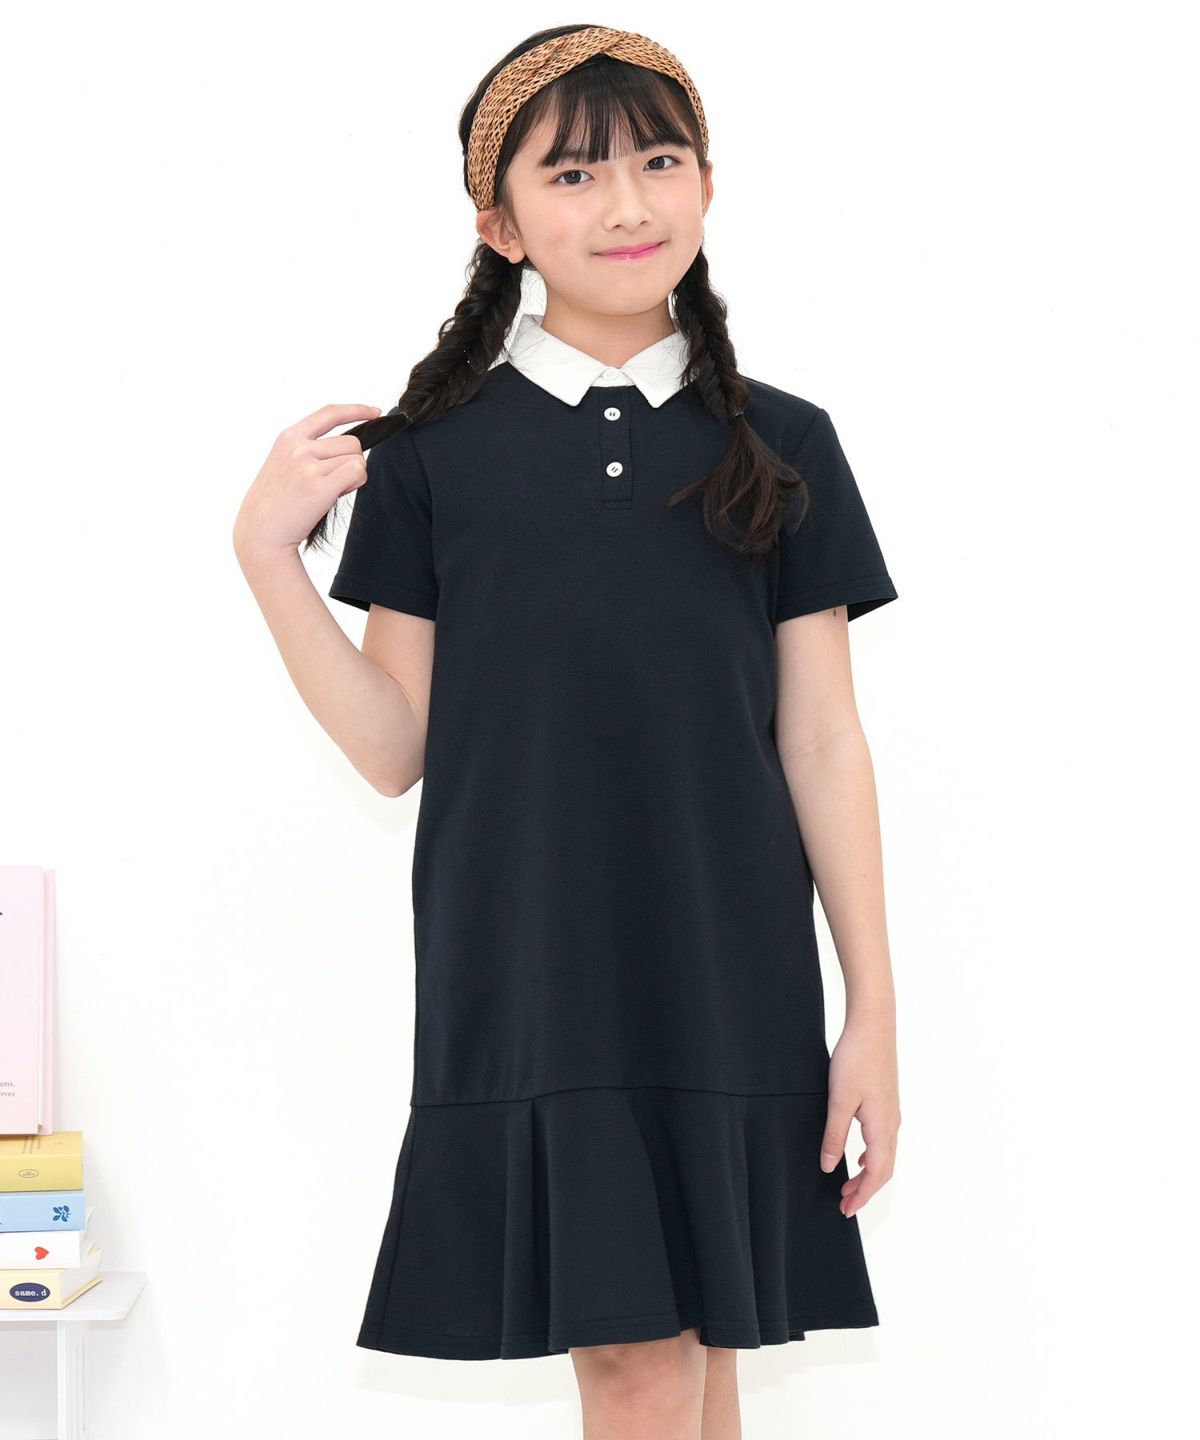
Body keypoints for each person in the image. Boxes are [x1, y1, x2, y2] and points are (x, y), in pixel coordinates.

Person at [234, 22, 901, 1438]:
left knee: (704, 1352)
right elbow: (392, 745)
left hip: (731, 970)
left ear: (708, 184)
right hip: (532, 976)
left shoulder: (784, 444)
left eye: (658, 162)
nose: (627, 205)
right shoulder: (432, 457)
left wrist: (872, 1016)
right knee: (641, 1364)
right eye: (576, 174)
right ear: (501, 225)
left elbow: (824, 744)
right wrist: (267, 560)